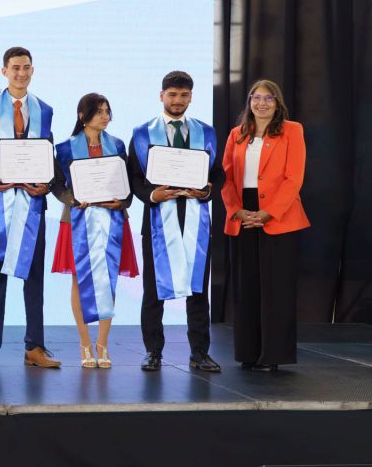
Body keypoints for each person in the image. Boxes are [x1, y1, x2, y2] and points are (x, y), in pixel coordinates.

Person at [0, 46, 60, 369]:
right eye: (15, 67)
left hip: (33, 202)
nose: (21, 73)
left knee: (34, 278)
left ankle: (35, 346)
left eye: (26, 67)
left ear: (32, 70)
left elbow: (47, 154)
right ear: (4, 71)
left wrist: (48, 183)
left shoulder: (44, 109)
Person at [128, 70, 224, 373]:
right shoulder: (143, 133)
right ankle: (153, 351)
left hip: (196, 218)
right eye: (172, 95)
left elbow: (218, 173)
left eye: (183, 95)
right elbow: (134, 177)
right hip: (158, 217)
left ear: (191, 97)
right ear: (162, 96)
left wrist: (208, 190)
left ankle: (199, 352)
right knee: (153, 290)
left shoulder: (206, 132)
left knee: (198, 290)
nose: (178, 100)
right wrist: (151, 194)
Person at [221, 80, 309, 372]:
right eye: (256, 98)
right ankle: (248, 353)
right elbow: (226, 178)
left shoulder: (292, 130)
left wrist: (269, 212)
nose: (262, 103)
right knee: (246, 287)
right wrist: (236, 210)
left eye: (268, 98)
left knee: (277, 288)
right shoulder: (236, 134)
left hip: (279, 216)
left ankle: (273, 355)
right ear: (249, 102)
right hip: (243, 215)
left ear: (277, 102)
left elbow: (294, 178)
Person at [52, 93, 138, 368]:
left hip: (113, 219)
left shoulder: (118, 145)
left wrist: (122, 202)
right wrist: (72, 199)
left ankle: (103, 343)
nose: (104, 116)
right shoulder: (65, 148)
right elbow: (56, 184)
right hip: (77, 219)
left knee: (108, 277)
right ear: (82, 116)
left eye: (107, 111)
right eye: (98, 111)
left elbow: (128, 184)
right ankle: (84, 344)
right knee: (79, 280)